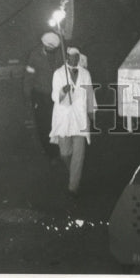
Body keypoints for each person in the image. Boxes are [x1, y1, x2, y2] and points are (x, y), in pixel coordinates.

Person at [50, 47, 96, 196]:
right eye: (71, 57)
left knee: (79, 155)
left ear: (79, 58)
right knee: (65, 153)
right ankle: (74, 173)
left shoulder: (85, 74)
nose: (74, 59)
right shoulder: (58, 74)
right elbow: (54, 96)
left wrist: (91, 114)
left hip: (80, 119)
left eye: (77, 57)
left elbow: (90, 94)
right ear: (67, 58)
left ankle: (73, 187)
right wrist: (63, 91)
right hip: (63, 118)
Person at [23, 32, 62, 163]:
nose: (51, 50)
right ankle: (51, 153)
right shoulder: (35, 56)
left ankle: (60, 147)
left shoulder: (60, 54)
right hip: (40, 95)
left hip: (57, 95)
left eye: (53, 48)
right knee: (44, 125)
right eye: (49, 48)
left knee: (57, 122)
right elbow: (29, 77)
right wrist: (27, 95)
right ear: (44, 45)